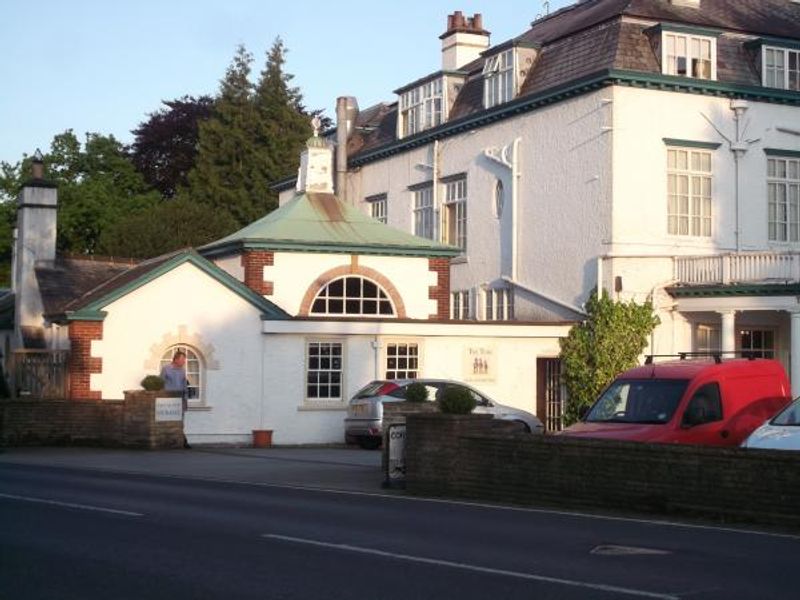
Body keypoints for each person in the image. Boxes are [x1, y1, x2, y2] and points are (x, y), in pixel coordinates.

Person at [160, 350, 191, 448]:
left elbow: (184, 386)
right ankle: (168, 441)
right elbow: (160, 383)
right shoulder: (166, 369)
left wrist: (185, 400)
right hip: (168, 400)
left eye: (184, 360)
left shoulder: (182, 370)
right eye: (182, 360)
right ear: (176, 359)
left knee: (180, 421)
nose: (184, 362)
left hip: (180, 400)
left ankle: (183, 441)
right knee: (167, 421)